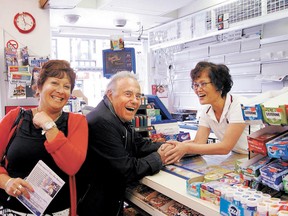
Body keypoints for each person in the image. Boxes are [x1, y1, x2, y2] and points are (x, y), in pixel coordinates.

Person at [77, 71, 173, 216]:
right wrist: (159, 158)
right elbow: (125, 170)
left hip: (110, 201)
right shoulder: (102, 122)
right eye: (128, 94)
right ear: (110, 95)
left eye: (138, 96)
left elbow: (139, 144)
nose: (135, 100)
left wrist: (172, 147)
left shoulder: (117, 117)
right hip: (97, 208)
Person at [0, 60, 88, 216]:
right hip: (12, 210)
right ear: (39, 87)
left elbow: (72, 166)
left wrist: (49, 126)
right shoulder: (15, 118)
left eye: (67, 87)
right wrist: (7, 182)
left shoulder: (77, 122)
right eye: (55, 83)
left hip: (58, 212)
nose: (61, 91)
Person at [163, 61, 249, 164]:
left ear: (219, 85)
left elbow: (225, 147)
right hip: (237, 157)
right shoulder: (206, 110)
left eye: (203, 84)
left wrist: (186, 147)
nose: (198, 89)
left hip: (257, 158)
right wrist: (176, 146)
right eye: (195, 85)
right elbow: (199, 142)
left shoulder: (238, 105)